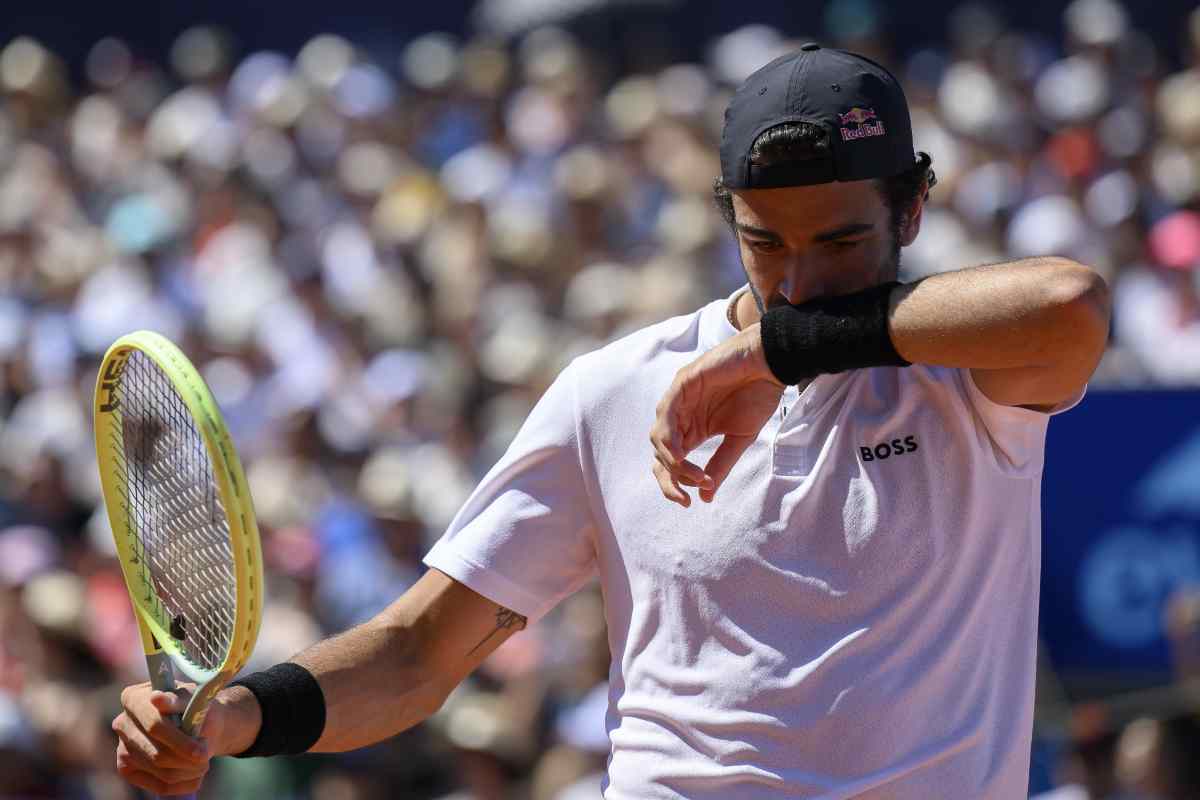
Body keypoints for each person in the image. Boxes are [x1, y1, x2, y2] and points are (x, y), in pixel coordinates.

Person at [112, 44, 1110, 798]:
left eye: (841, 239)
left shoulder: (969, 375)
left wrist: (772, 352)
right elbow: (421, 652)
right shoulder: (613, 390)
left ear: (914, 209)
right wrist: (236, 715)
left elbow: (1070, 306)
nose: (799, 280)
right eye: (763, 242)